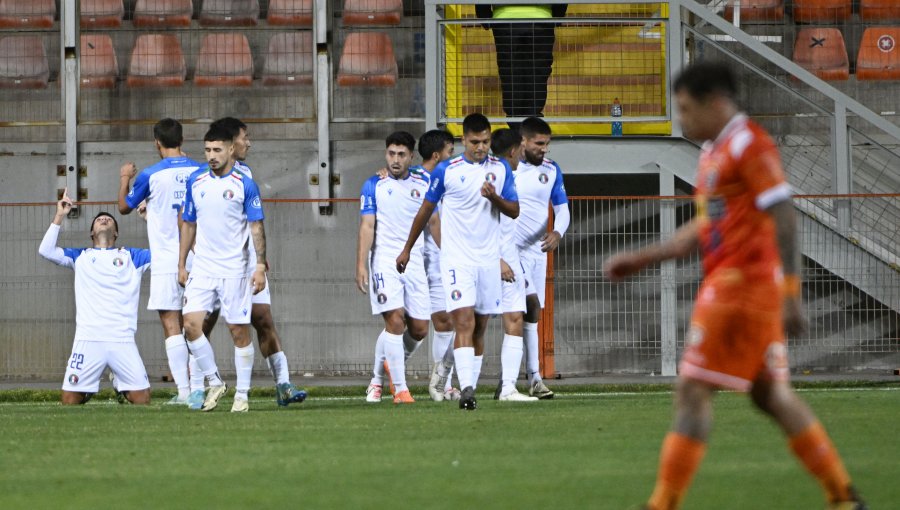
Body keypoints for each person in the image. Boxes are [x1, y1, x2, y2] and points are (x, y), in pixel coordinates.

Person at [603, 62, 866, 510]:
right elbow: (706, 228)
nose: (680, 119)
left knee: (692, 388)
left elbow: (783, 213)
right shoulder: (713, 152)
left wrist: (790, 292)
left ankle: (661, 504)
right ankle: (842, 495)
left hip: (741, 287)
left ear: (714, 102)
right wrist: (642, 257)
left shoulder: (748, 144)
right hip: (737, 285)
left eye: (685, 109)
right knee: (770, 395)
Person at [397, 113, 519, 411]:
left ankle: (469, 387)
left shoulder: (501, 168)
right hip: (456, 260)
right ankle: (465, 389)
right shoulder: (446, 170)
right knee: (462, 321)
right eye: (475, 141)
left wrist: (495, 199)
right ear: (464, 140)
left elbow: (514, 210)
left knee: (479, 327)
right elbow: (425, 210)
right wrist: (407, 249)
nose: (481, 147)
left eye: (486, 141)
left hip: (488, 260)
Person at [197, 117, 308, 408]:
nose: (249, 143)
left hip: (244, 264)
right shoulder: (203, 176)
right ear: (232, 144)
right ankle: (200, 387)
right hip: (211, 265)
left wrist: (259, 261)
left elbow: (253, 224)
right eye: (245, 137)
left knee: (262, 319)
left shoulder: (243, 176)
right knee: (200, 324)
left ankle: (283, 384)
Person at [178, 125, 268, 413]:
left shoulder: (245, 183)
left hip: (236, 269)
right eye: (207, 150)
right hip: (203, 267)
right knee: (190, 325)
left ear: (231, 149)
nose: (211, 156)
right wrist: (181, 264)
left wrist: (260, 265)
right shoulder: (196, 180)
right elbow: (188, 224)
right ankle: (215, 381)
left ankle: (242, 395)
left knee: (237, 331)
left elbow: (256, 226)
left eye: (217, 150)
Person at [117, 118, 204, 408]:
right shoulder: (201, 170)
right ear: (183, 139)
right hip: (200, 257)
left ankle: (184, 392)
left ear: (157, 142)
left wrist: (125, 177)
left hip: (167, 259)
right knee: (197, 325)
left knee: (171, 324)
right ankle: (202, 388)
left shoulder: (151, 175)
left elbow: (123, 207)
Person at [39, 189, 152, 405]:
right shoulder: (80, 256)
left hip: (122, 339)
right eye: (99, 219)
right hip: (87, 338)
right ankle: (90, 388)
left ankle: (121, 385)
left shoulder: (133, 256)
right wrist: (60, 215)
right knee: (70, 401)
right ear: (92, 232)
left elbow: (169, 253)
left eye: (109, 219)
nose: (103, 219)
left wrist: (149, 218)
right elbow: (45, 250)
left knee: (142, 400)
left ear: (116, 233)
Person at [357, 131, 432, 404]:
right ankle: (399, 389)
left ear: (411, 157)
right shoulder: (373, 184)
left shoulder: (424, 182)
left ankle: (380, 375)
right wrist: (361, 265)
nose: (395, 159)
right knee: (395, 321)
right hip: (384, 261)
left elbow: (433, 221)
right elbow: (367, 226)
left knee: (420, 328)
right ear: (385, 153)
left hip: (415, 261)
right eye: (391, 153)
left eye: (401, 154)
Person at [514, 116, 570, 399]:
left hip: (538, 252)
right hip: (510, 251)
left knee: (532, 313)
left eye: (547, 144)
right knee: (528, 305)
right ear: (523, 141)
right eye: (539, 144)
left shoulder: (551, 169)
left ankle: (530, 377)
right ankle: (527, 377)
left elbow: (562, 209)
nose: (544, 149)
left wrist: (558, 233)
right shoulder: (506, 168)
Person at [489, 128, 537, 402]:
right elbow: (475, 224)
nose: (523, 152)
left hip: (510, 258)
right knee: (471, 324)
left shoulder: (512, 175)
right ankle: (447, 381)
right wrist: (498, 260)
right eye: (521, 148)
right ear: (512, 151)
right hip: (489, 260)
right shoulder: (488, 177)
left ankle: (508, 387)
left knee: (516, 317)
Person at [416, 129, 462, 402]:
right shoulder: (418, 179)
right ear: (437, 155)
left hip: (442, 260)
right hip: (432, 262)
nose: (452, 157)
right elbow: (432, 222)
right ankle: (383, 379)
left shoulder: (444, 178)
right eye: (449, 152)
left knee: (447, 322)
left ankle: (443, 384)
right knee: (438, 322)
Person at [474, 4, 568, 121]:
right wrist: (557, 17)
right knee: (537, 73)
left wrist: (485, 17)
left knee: (510, 71)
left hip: (505, 19)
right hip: (541, 19)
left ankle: (515, 121)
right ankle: (532, 121)